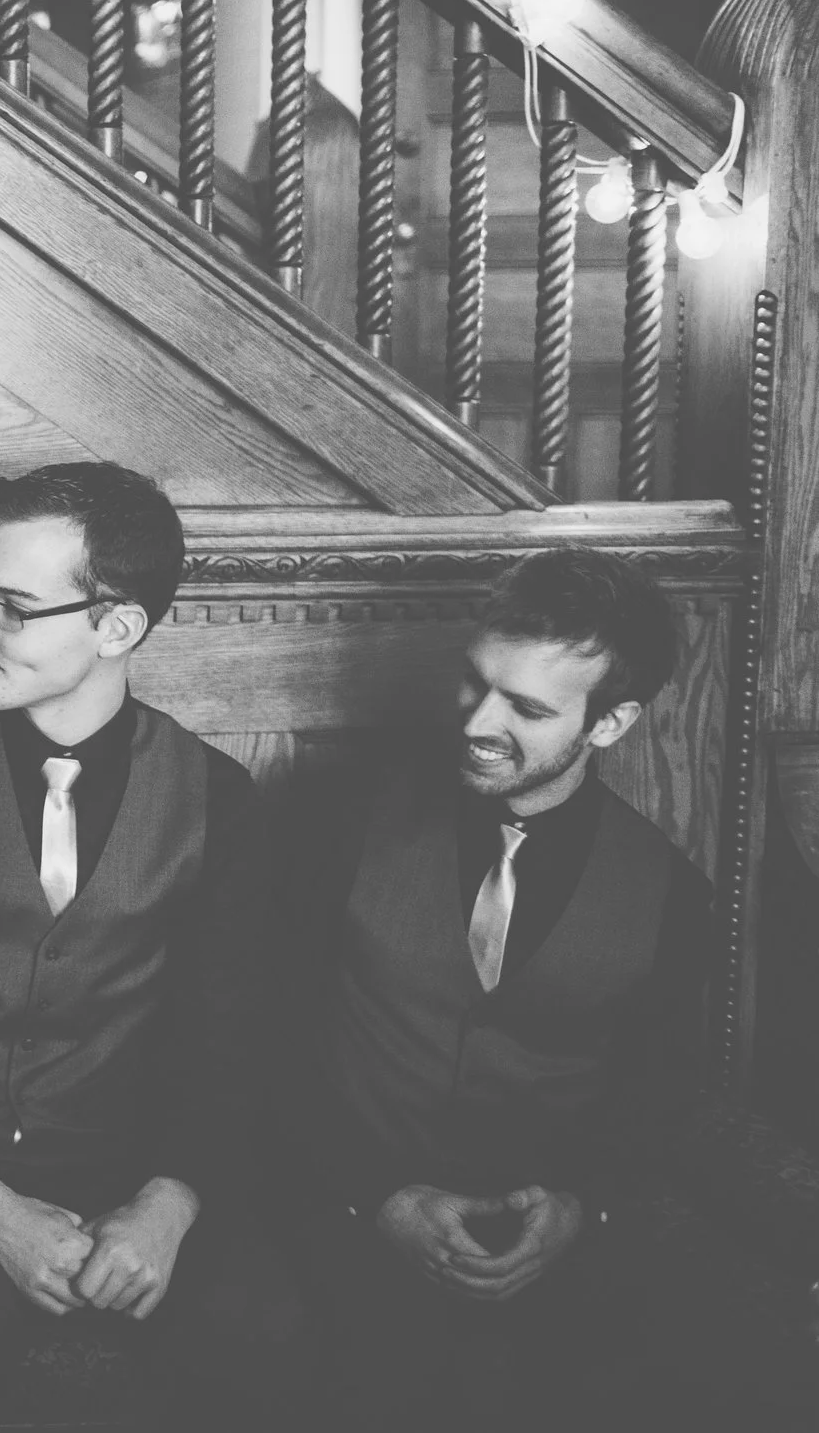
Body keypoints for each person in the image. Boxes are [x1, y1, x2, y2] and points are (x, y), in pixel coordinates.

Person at [0, 461, 313, 1431]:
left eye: (9, 605)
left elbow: (230, 1034)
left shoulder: (217, 796)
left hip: (127, 1167)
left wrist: (167, 1203)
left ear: (116, 626)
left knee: (262, 1323)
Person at [276, 547, 708, 1432]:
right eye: (476, 683)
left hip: (541, 1252)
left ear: (612, 722)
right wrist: (378, 1194)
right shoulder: (337, 822)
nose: (478, 720)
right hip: (340, 1213)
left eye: (528, 707)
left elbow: (660, 1091)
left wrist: (580, 1208)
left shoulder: (672, 893)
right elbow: (261, 1037)